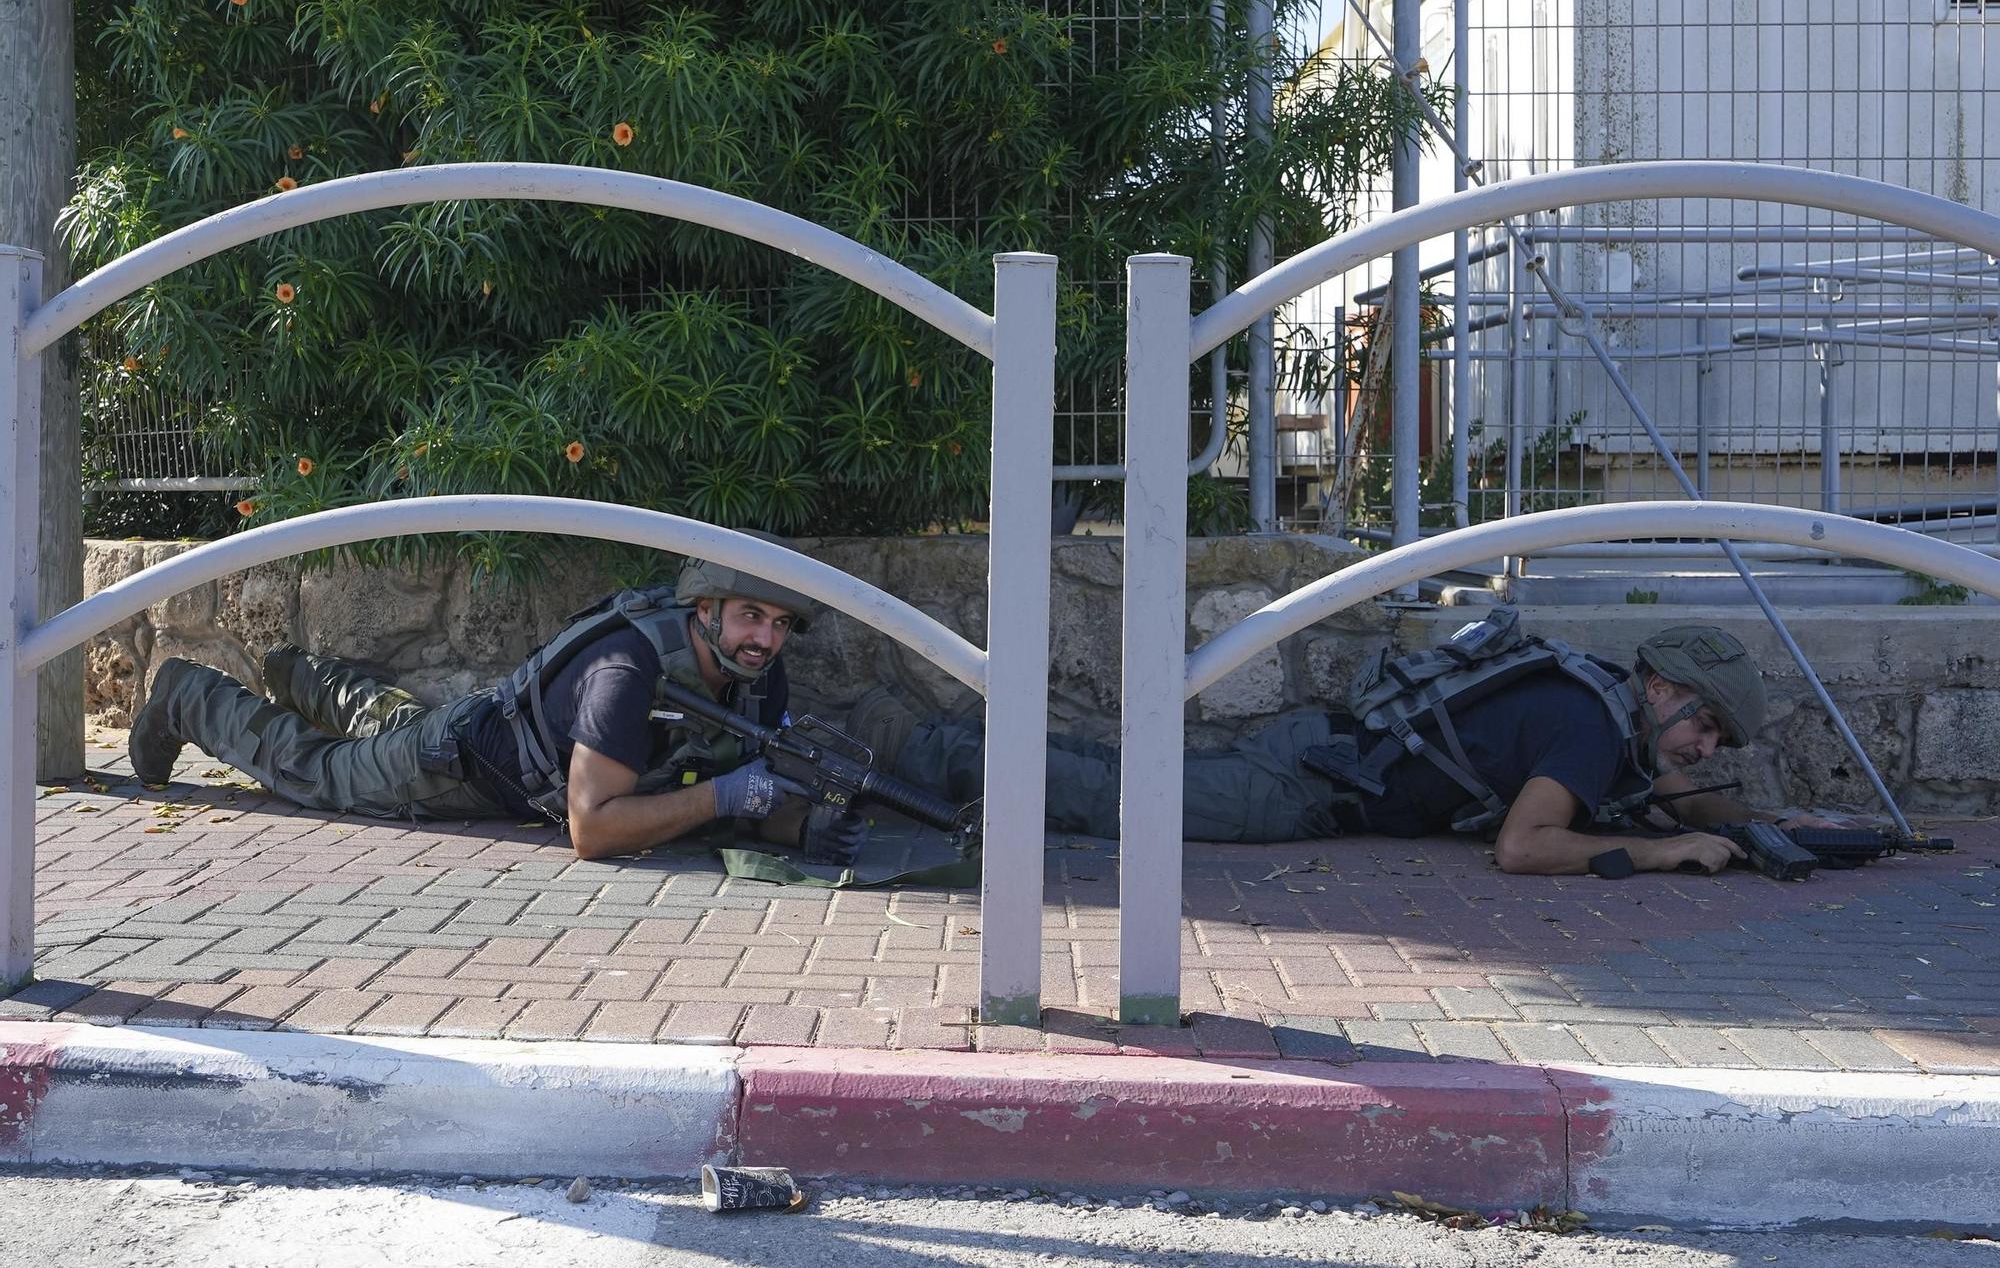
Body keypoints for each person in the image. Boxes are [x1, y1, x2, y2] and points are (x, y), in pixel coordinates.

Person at [849, 620, 1843, 877]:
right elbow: (1525, 847)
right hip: (1304, 793)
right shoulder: (1588, 725)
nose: (1701, 745)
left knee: (1114, 775)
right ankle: (914, 749)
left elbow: (1655, 795)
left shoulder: (1595, 704)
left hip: (1320, 757)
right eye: (1702, 722)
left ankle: (941, 746)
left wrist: (1747, 822)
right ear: (1659, 686)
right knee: (1110, 796)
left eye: (1712, 737)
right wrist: (1669, 855)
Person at [127, 558, 823, 861]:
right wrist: (727, 797)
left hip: (477, 730)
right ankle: (190, 695)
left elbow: (761, 790)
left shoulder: (758, 675)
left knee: (393, 724)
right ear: (705, 609)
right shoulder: (629, 672)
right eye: (749, 616)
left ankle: (294, 670)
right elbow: (592, 830)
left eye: (779, 623)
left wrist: (807, 823)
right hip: (455, 766)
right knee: (323, 772)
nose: (764, 638)